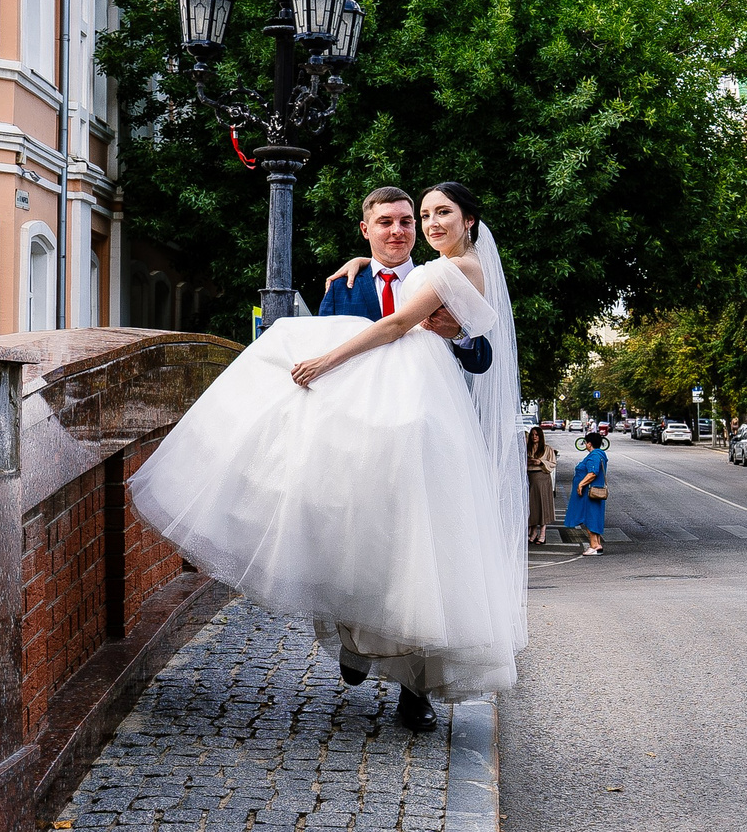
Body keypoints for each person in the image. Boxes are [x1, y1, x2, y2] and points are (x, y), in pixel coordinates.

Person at [127, 183, 524, 731]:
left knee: (417, 555)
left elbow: (476, 353)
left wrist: (456, 333)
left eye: (412, 220)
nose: (403, 229)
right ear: (366, 230)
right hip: (354, 446)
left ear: (460, 221)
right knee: (352, 548)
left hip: (420, 436)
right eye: (389, 221)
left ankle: (415, 691)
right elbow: (322, 359)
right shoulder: (346, 283)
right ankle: (356, 643)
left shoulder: (443, 272)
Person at [320, 186, 494, 378]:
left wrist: (459, 336)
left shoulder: (438, 277)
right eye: (385, 222)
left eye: (405, 222)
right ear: (365, 229)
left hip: (426, 391)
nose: (397, 231)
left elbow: (481, 363)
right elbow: (322, 348)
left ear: (414, 225)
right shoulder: (341, 288)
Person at [565, 429, 609, 554]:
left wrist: (581, 484)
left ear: (589, 444)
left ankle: (593, 545)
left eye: (586, 442)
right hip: (594, 492)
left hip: (589, 493)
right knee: (594, 516)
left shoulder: (594, 456)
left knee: (590, 517)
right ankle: (597, 544)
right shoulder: (600, 454)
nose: (585, 445)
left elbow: (592, 473)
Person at [525, 425, 557, 544]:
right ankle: (533, 532)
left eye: (537, 435)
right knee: (532, 506)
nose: (534, 437)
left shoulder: (547, 449)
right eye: (532, 435)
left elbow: (553, 463)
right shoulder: (527, 448)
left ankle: (542, 533)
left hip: (542, 478)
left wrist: (540, 462)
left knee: (543, 505)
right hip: (530, 477)